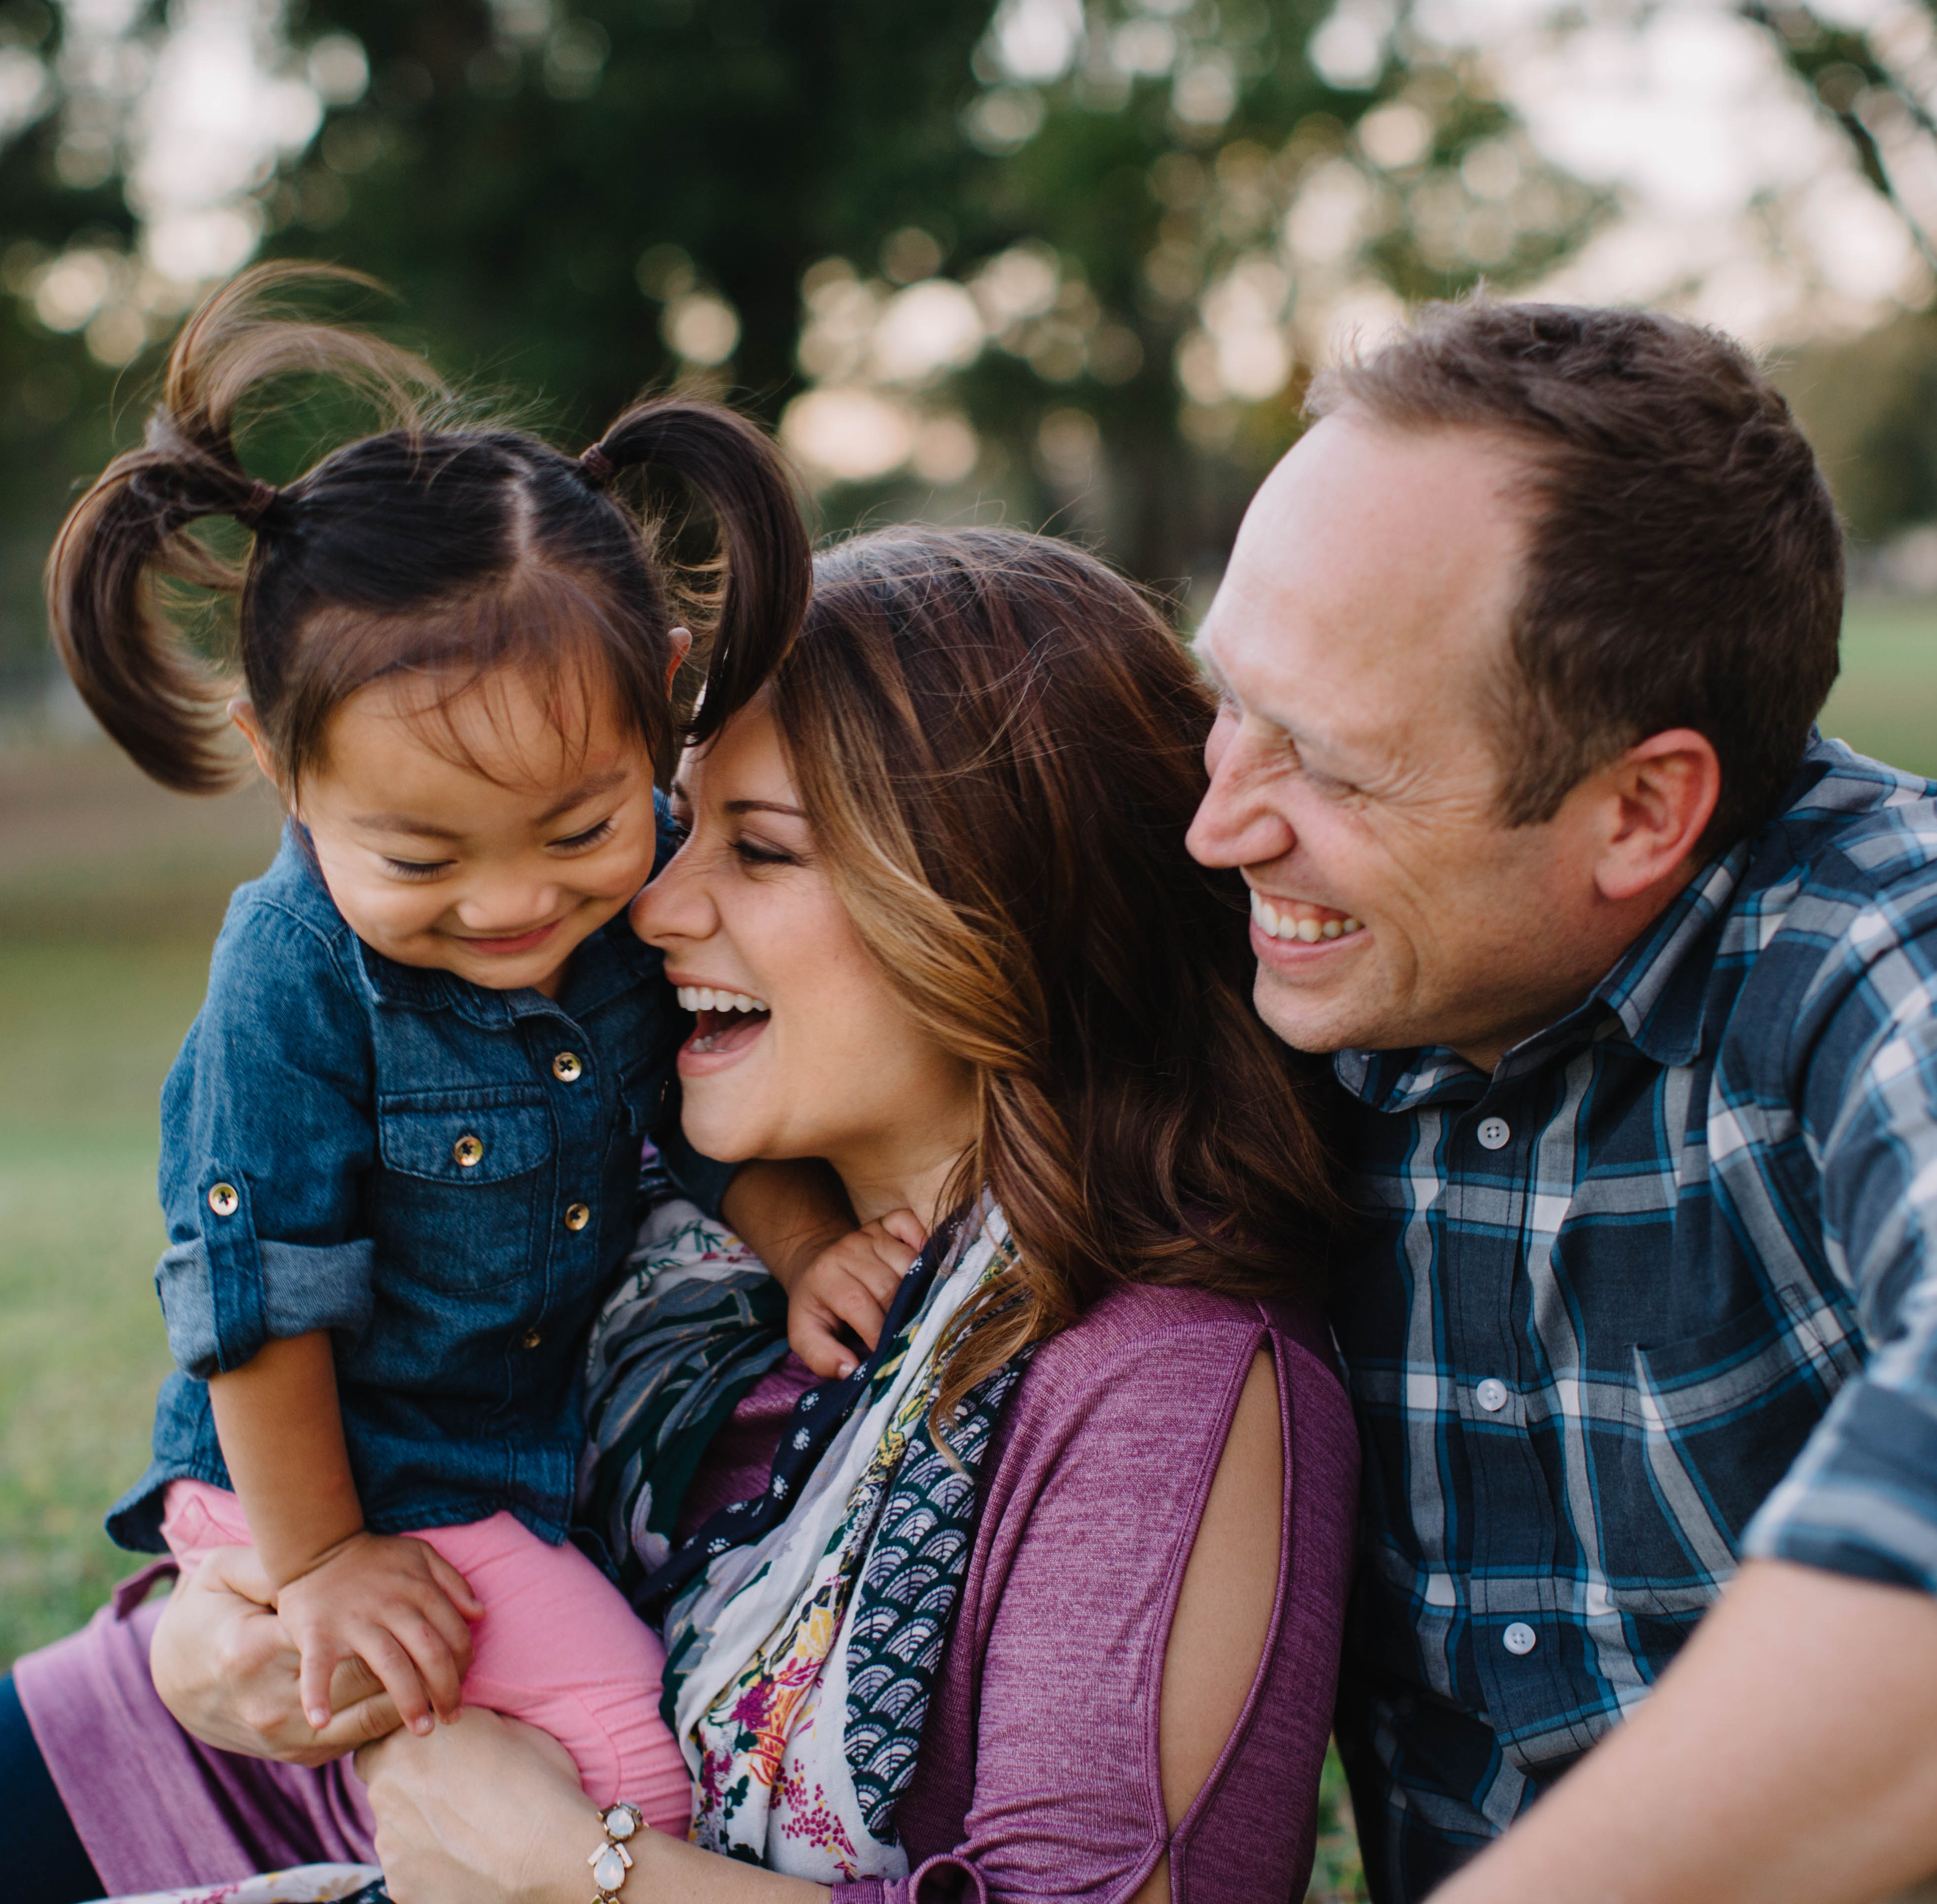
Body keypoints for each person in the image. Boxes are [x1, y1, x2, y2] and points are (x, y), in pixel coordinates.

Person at [0, 266, 856, 1904]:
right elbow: (259, 1300)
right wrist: (318, 1568)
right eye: (420, 853)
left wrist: (811, 1248)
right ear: (277, 756)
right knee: (620, 1756)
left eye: (579, 829)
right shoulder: (293, 978)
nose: (515, 902)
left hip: (485, 1464)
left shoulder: (656, 880)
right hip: (323, 1479)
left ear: (664, 691)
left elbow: (688, 1115)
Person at [1184, 298, 1937, 1903]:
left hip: (1913, 1863)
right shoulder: (1284, 927)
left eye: (1336, 771)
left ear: (1642, 809)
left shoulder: (1897, 932)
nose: (1224, 824)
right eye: (1230, 701)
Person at [143, 526, 1358, 1904]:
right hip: (243, 1777)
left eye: (760, 851)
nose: (653, 907)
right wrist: (203, 1643)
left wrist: (578, 1874)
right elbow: (311, 1438)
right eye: (675, 822)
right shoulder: (670, 1215)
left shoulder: (1157, 1388)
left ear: (1000, 901)